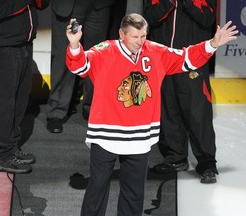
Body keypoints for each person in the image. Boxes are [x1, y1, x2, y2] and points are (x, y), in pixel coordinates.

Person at [65, 13, 237, 215]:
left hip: (140, 136)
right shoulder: (105, 50)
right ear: (122, 34)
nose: (139, 42)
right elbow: (80, 66)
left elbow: (186, 58)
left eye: (143, 36)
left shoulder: (155, 51)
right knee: (97, 188)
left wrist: (212, 44)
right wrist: (75, 45)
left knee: (134, 193)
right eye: (134, 37)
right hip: (106, 134)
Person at [144, 0, 218, 183]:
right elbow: (149, 19)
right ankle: (175, 157)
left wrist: (187, 2)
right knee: (168, 108)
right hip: (163, 58)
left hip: (193, 58)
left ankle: (207, 163)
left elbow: (208, 19)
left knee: (197, 111)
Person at [0, 0, 49, 174]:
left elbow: (43, 3)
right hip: (3, 45)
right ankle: (2, 155)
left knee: (19, 99)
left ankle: (11, 147)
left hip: (23, 41)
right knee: (4, 102)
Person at [46, 0, 116, 133]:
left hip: (99, 6)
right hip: (68, 5)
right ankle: (56, 111)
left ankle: (93, 108)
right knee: (63, 58)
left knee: (96, 59)